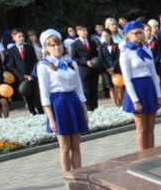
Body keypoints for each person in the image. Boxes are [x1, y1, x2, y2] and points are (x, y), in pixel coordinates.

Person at [36, 29, 89, 174]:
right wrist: (51, 119)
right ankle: (68, 177)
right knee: (65, 146)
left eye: (58, 44)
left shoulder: (71, 63)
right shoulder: (43, 66)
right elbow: (44, 94)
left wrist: (84, 111)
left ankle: (79, 175)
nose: (56, 48)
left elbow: (79, 89)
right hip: (58, 105)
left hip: (73, 103)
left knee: (76, 145)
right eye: (52, 45)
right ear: (46, 48)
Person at [119, 20, 161, 152]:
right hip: (137, 89)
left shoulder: (146, 49)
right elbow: (126, 79)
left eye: (140, 32)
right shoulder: (125, 53)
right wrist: (135, 100)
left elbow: (154, 74)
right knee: (141, 127)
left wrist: (159, 95)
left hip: (149, 88)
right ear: (128, 35)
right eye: (136, 33)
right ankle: (143, 156)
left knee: (151, 126)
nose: (139, 35)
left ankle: (152, 153)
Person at [6, 29, 41, 116]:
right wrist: (23, 76)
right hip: (21, 76)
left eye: (23, 36)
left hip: (32, 74)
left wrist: (32, 74)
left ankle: (41, 111)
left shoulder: (29, 47)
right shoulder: (12, 50)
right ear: (14, 38)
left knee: (36, 93)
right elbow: (13, 66)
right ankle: (32, 111)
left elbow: (34, 61)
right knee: (27, 93)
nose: (22, 38)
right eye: (19, 36)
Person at [70, 25, 100, 111]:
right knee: (86, 90)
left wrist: (95, 62)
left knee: (94, 89)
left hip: (93, 69)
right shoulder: (75, 44)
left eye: (85, 30)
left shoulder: (92, 42)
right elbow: (74, 58)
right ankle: (89, 108)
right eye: (82, 30)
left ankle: (95, 106)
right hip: (83, 70)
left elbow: (96, 55)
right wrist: (86, 62)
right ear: (78, 32)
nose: (85, 32)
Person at [98, 28, 123, 108]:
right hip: (106, 70)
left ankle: (121, 103)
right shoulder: (101, 47)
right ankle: (115, 104)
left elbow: (118, 57)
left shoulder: (115, 45)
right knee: (111, 87)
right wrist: (108, 68)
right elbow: (101, 58)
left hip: (116, 68)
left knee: (119, 86)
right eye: (104, 36)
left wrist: (113, 67)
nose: (106, 37)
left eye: (107, 35)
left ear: (110, 35)